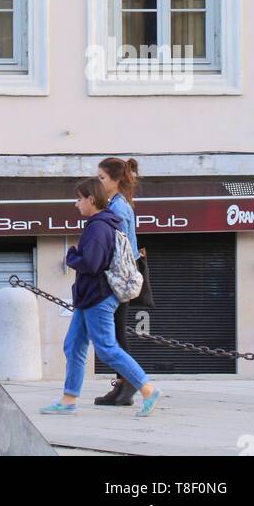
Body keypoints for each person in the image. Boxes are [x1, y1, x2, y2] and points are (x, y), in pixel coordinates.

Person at [40, 178, 160, 418]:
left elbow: (92, 264)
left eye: (79, 198)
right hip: (89, 297)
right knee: (73, 345)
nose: (76, 204)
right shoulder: (103, 224)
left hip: (98, 297)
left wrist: (71, 256)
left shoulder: (98, 227)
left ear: (91, 199)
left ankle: (147, 389)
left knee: (106, 348)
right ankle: (68, 399)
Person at [94, 156, 141, 406]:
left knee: (118, 333)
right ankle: (122, 386)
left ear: (115, 180)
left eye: (101, 178)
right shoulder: (115, 204)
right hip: (118, 276)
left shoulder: (118, 208)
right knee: (114, 332)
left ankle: (130, 382)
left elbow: (120, 248)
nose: (98, 182)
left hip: (118, 278)